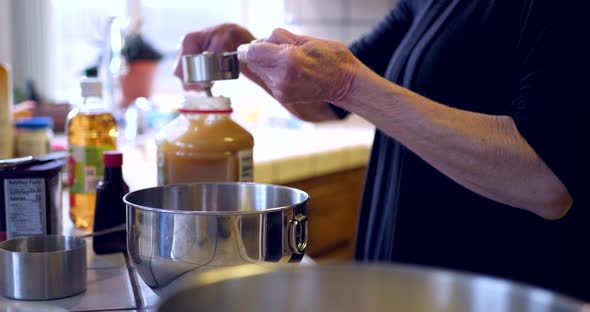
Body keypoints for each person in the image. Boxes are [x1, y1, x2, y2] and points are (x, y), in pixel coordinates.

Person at [175, 0, 589, 301]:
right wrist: (246, 52)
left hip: (497, 295)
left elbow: (546, 182)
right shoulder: (426, 3)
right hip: (410, 291)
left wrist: (350, 85)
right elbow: (326, 102)